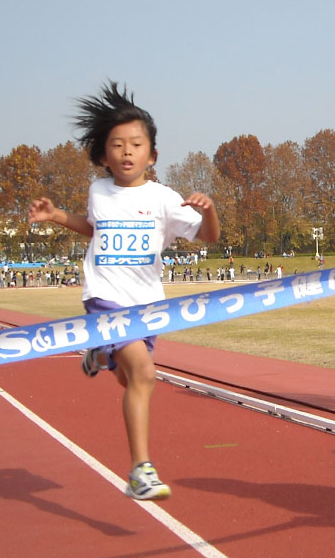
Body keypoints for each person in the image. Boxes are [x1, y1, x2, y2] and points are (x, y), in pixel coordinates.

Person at [29, 82, 220, 500]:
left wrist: (211, 212)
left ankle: (100, 355)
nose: (127, 151)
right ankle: (140, 469)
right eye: (117, 144)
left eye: (137, 144)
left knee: (131, 380)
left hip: (148, 305)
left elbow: (207, 238)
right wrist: (60, 216)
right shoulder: (99, 191)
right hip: (104, 298)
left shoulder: (164, 199)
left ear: (153, 155)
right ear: (103, 155)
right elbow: (96, 229)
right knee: (146, 375)